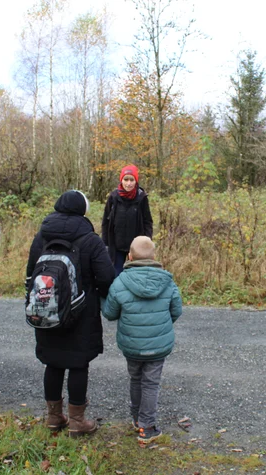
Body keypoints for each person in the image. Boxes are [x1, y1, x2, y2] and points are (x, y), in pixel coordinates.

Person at [26, 190, 115, 437]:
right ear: (82, 210)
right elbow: (107, 277)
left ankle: (54, 417)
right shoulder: (90, 239)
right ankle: (77, 421)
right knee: (78, 363)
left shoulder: (41, 236)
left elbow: (30, 273)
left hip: (47, 309)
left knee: (52, 362)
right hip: (81, 312)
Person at [101, 236, 183, 444]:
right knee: (151, 384)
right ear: (154, 256)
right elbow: (176, 310)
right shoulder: (167, 280)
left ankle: (137, 418)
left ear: (129, 256)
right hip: (158, 345)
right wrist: (162, 326)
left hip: (132, 345)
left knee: (136, 379)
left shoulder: (120, 282)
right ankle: (147, 427)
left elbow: (110, 313)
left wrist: (102, 298)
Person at [102, 164, 154, 276]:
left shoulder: (142, 198)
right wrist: (105, 244)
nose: (129, 183)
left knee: (136, 276)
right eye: (126, 179)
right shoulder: (113, 197)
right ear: (121, 180)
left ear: (136, 181)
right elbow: (106, 222)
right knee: (116, 276)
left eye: (132, 180)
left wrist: (147, 241)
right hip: (116, 246)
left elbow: (147, 221)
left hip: (136, 247)